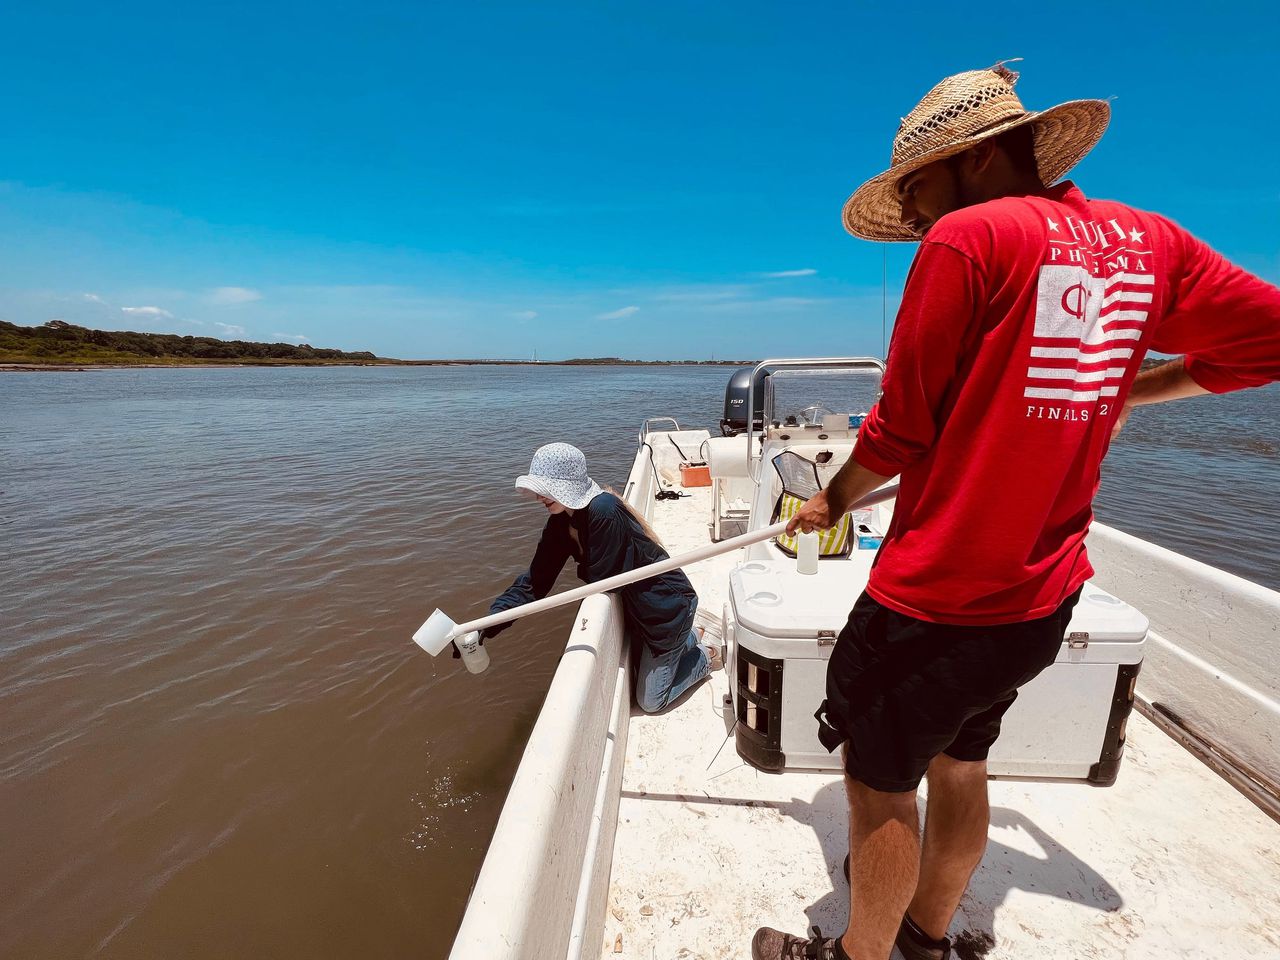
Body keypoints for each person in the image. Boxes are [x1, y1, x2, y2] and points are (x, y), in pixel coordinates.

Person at [750, 63, 1280, 960]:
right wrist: (1121, 392)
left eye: (915, 191)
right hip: (1041, 598)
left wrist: (827, 501)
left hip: (935, 600)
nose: (915, 220)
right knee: (963, 763)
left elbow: (901, 430)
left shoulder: (968, 241)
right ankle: (927, 936)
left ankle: (858, 956)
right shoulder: (1152, 242)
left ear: (980, 157)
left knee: (880, 788)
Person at [481, 442, 718, 712]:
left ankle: (705, 654)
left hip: (667, 610)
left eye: (545, 488)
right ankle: (692, 636)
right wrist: (491, 622)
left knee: (650, 701)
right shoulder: (560, 522)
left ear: (565, 485)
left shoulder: (604, 510)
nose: (538, 497)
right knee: (644, 675)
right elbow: (535, 582)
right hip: (641, 612)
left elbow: (603, 578)